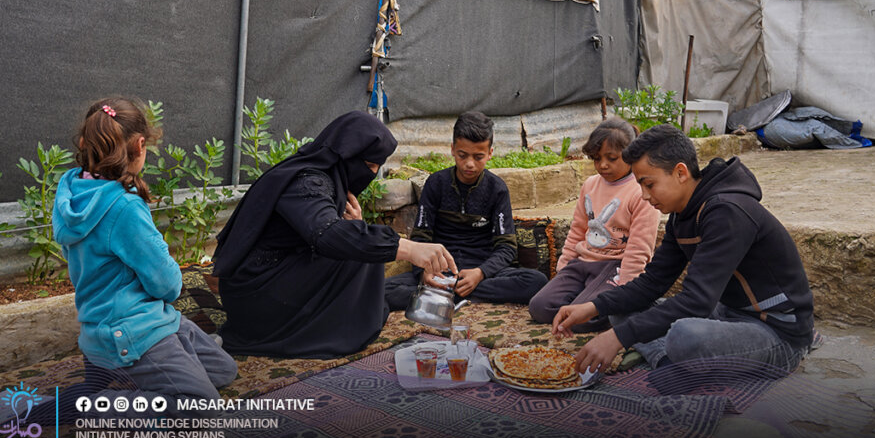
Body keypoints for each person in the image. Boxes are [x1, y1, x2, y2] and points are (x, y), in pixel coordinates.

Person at [553, 124, 815, 375]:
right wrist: (593, 306)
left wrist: (617, 338)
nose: (644, 195)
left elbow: (697, 301)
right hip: (726, 313)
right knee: (620, 306)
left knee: (685, 335)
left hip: (777, 332)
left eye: (649, 184)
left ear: (680, 173)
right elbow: (652, 282)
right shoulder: (682, 214)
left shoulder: (727, 211)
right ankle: (668, 362)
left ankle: (670, 359)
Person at [213, 110, 456, 359]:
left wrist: (357, 226)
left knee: (362, 243)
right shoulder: (306, 182)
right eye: (369, 165)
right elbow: (326, 234)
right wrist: (408, 248)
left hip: (275, 277)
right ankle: (332, 331)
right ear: (347, 156)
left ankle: (347, 316)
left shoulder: (322, 176)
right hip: (257, 301)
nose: (371, 174)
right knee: (362, 247)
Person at [52, 97, 238, 415]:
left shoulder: (71, 191)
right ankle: (89, 403)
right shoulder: (123, 207)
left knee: (224, 371)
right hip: (133, 334)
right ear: (140, 145)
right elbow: (167, 285)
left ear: (85, 144)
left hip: (113, 329)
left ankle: (136, 373)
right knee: (202, 405)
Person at [384, 111, 547, 310]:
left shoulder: (497, 190)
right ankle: (453, 292)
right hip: (440, 271)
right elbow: (421, 238)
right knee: (382, 289)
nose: (469, 163)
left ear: (490, 153)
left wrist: (480, 273)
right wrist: (424, 272)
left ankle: (444, 296)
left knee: (536, 281)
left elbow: (506, 247)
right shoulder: (436, 184)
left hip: (480, 271)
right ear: (452, 149)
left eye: (478, 157)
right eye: (463, 155)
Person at [528, 118, 660, 331]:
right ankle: (586, 299)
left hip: (614, 266)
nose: (603, 165)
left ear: (630, 155)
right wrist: (563, 270)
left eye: (612, 158)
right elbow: (577, 231)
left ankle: (605, 305)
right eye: (597, 159)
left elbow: (639, 249)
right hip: (583, 263)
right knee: (539, 307)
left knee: (580, 319)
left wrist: (625, 294)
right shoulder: (590, 185)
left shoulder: (640, 191)